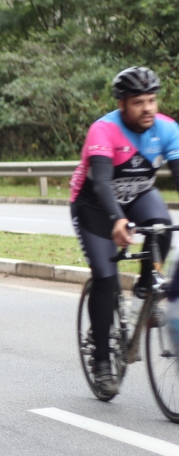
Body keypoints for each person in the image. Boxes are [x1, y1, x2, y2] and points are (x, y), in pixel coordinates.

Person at [70, 66, 179, 395]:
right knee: (106, 277)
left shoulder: (167, 128)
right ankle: (102, 360)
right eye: (138, 102)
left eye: (152, 100)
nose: (147, 108)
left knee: (162, 228)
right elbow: (102, 182)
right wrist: (117, 220)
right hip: (95, 205)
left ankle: (145, 293)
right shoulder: (104, 130)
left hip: (140, 194)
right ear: (122, 105)